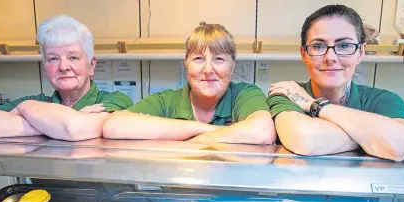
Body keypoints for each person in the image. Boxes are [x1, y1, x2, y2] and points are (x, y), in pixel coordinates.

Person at [267, 4, 404, 161]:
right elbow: (306, 140)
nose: (330, 57)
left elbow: (401, 144)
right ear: (303, 54)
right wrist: (372, 136)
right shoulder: (288, 93)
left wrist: (313, 104)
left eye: (344, 45)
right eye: (318, 46)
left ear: (361, 52)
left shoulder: (384, 100)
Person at [103, 22, 276, 145]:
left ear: (232, 66)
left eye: (219, 59)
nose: (208, 69)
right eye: (199, 58)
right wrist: (204, 129)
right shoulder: (167, 101)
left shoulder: (245, 94)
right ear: (186, 63)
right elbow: (113, 126)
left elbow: (262, 132)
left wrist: (193, 141)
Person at [0, 15, 133, 141]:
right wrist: (56, 126)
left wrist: (26, 108)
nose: (63, 67)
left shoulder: (115, 100)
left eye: (73, 57)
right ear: (44, 66)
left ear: (91, 65)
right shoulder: (38, 102)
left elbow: (76, 129)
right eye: (53, 59)